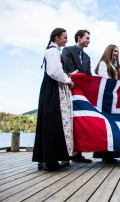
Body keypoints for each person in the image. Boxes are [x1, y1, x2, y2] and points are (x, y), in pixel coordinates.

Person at [32, 28, 74, 171]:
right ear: (56, 37)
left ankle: (50, 158)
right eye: (64, 37)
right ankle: (46, 159)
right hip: (53, 87)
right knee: (52, 121)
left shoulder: (54, 51)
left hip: (53, 86)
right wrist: (68, 80)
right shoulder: (52, 51)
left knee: (54, 122)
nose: (67, 40)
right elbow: (54, 72)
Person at [93, 44, 120, 163]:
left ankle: (113, 153)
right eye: (114, 51)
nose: (116, 54)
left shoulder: (116, 66)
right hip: (106, 98)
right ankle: (105, 154)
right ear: (109, 51)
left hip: (114, 98)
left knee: (115, 125)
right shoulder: (104, 63)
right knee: (106, 125)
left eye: (117, 52)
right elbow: (104, 78)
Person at [62, 29, 92, 164]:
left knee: (80, 120)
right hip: (69, 90)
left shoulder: (87, 58)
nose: (89, 41)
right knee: (67, 121)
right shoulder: (67, 51)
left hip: (81, 94)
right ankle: (65, 155)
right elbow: (69, 69)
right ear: (79, 38)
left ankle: (78, 153)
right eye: (87, 38)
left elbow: (89, 75)